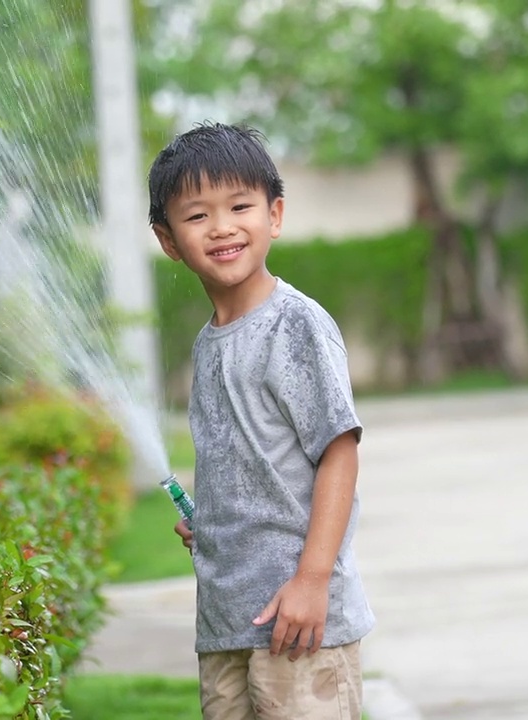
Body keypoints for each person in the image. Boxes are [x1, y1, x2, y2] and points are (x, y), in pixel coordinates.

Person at [147, 122, 374, 720]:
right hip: (226, 619)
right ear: (168, 241)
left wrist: (312, 580)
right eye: (196, 216)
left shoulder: (294, 325)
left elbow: (339, 451)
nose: (221, 227)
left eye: (239, 206)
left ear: (274, 215)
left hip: (298, 621)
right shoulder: (207, 344)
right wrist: (217, 521)